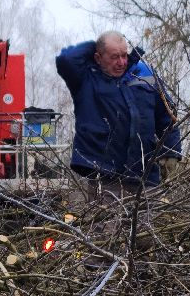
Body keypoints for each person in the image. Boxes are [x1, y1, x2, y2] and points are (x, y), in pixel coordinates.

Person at [55, 31, 182, 209]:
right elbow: (66, 59)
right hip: (106, 177)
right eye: (114, 57)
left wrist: (172, 152)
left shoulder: (143, 73)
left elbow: (166, 116)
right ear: (98, 58)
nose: (121, 62)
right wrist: (96, 44)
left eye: (124, 55)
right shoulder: (87, 78)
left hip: (145, 177)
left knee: (146, 233)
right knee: (107, 234)